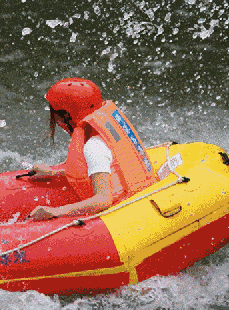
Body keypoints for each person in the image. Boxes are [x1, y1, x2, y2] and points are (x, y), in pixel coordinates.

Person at [28, 78, 159, 221]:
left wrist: (55, 211)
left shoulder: (93, 146)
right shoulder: (105, 130)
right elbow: (102, 169)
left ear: (67, 115)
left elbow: (103, 200)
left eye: (55, 114)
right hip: (143, 194)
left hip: (131, 216)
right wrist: (54, 173)